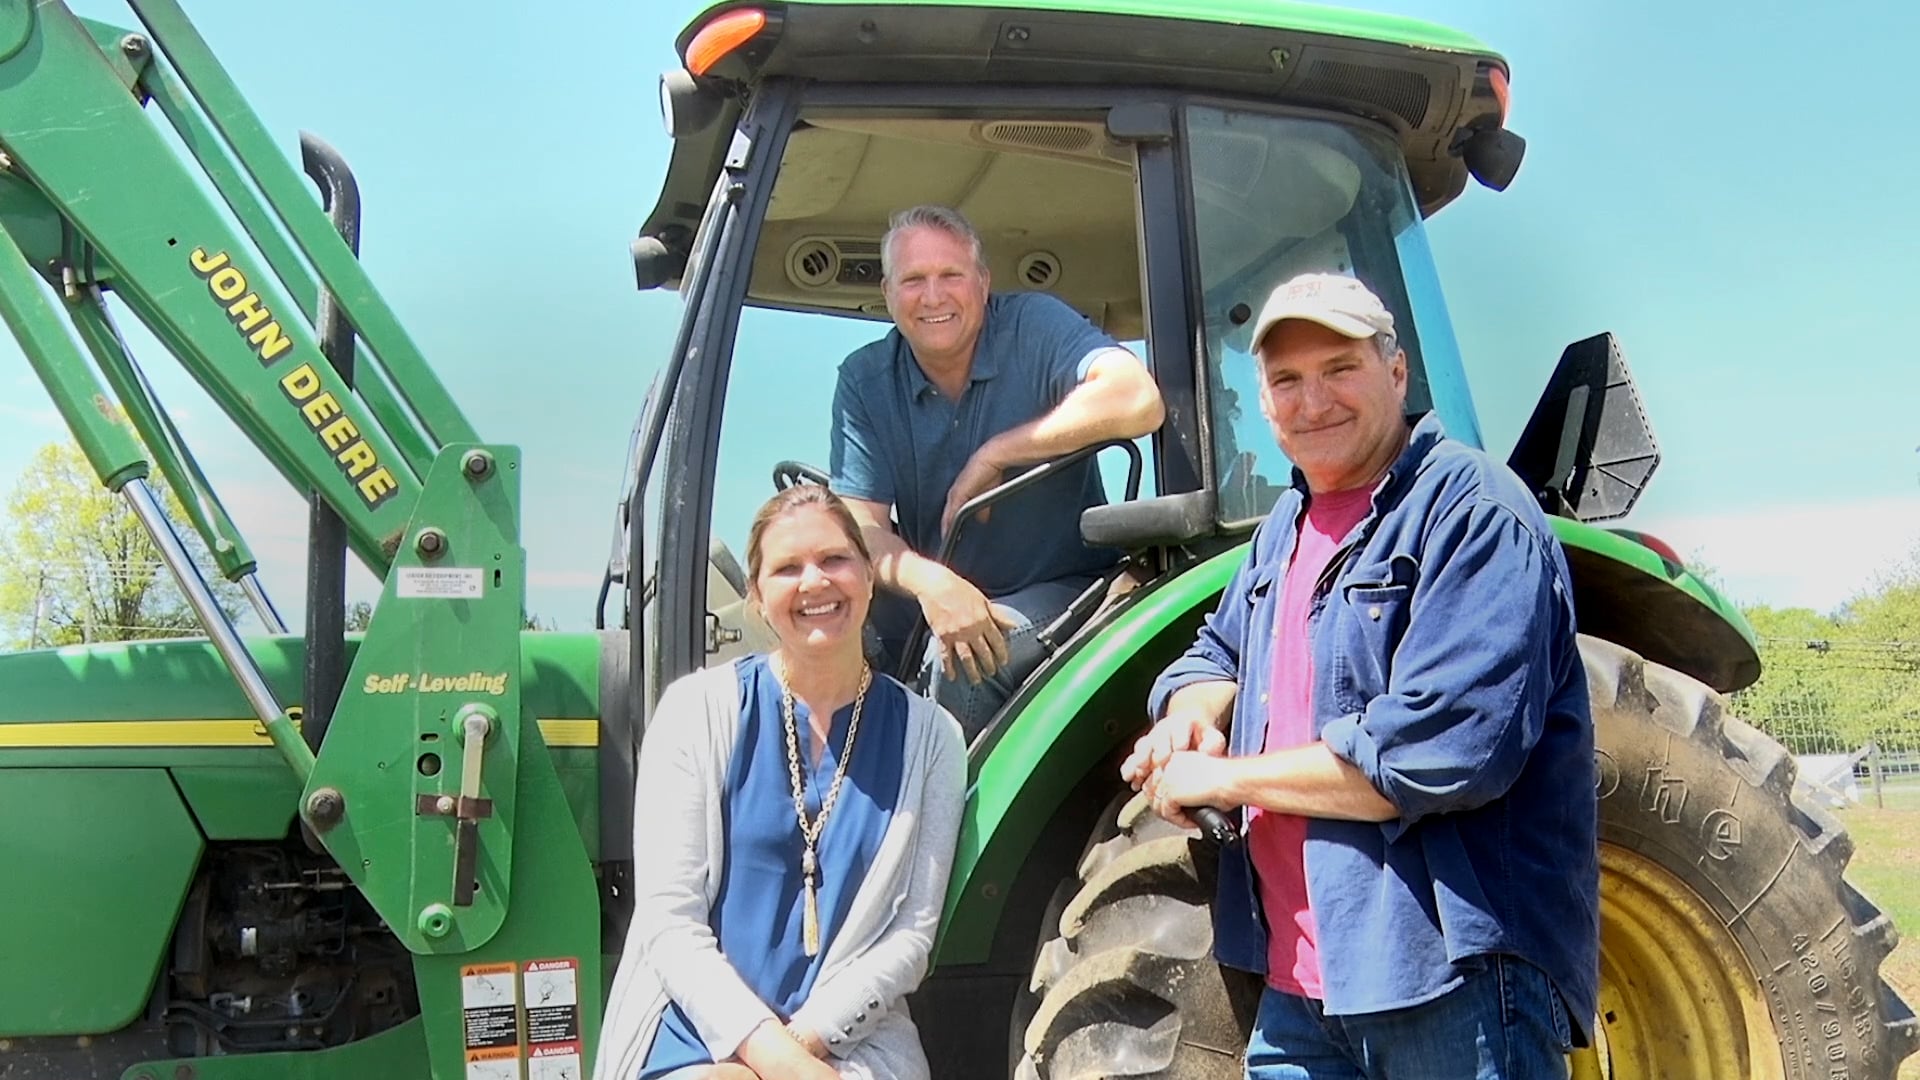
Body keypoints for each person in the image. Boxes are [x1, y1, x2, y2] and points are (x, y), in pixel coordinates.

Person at [1122, 272, 1597, 1078]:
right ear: (1263, 402)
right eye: (1287, 382)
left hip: (1450, 984)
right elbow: (1217, 651)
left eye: (1340, 369)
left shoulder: (1475, 512)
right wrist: (1188, 716)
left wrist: (1226, 777)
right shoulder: (1286, 526)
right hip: (1301, 990)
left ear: (1397, 371)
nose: (1314, 402)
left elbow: (1437, 752)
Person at [594, 485, 966, 1080]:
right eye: (787, 568)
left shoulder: (932, 738)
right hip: (695, 1028)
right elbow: (671, 922)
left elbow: (910, 936)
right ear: (757, 598)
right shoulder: (696, 712)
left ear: (869, 578)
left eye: (835, 559)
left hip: (851, 1038)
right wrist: (774, 1059)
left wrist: (806, 1044)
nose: (814, 582)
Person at [829, 204, 1164, 739]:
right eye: (913, 280)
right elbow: (860, 528)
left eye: (950, 275)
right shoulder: (865, 380)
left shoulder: (1033, 326)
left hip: (1062, 584)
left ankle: (948, 822)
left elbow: (1138, 399)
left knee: (961, 659)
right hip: (935, 595)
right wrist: (934, 583)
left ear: (982, 283)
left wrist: (999, 453)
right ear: (889, 295)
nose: (933, 296)